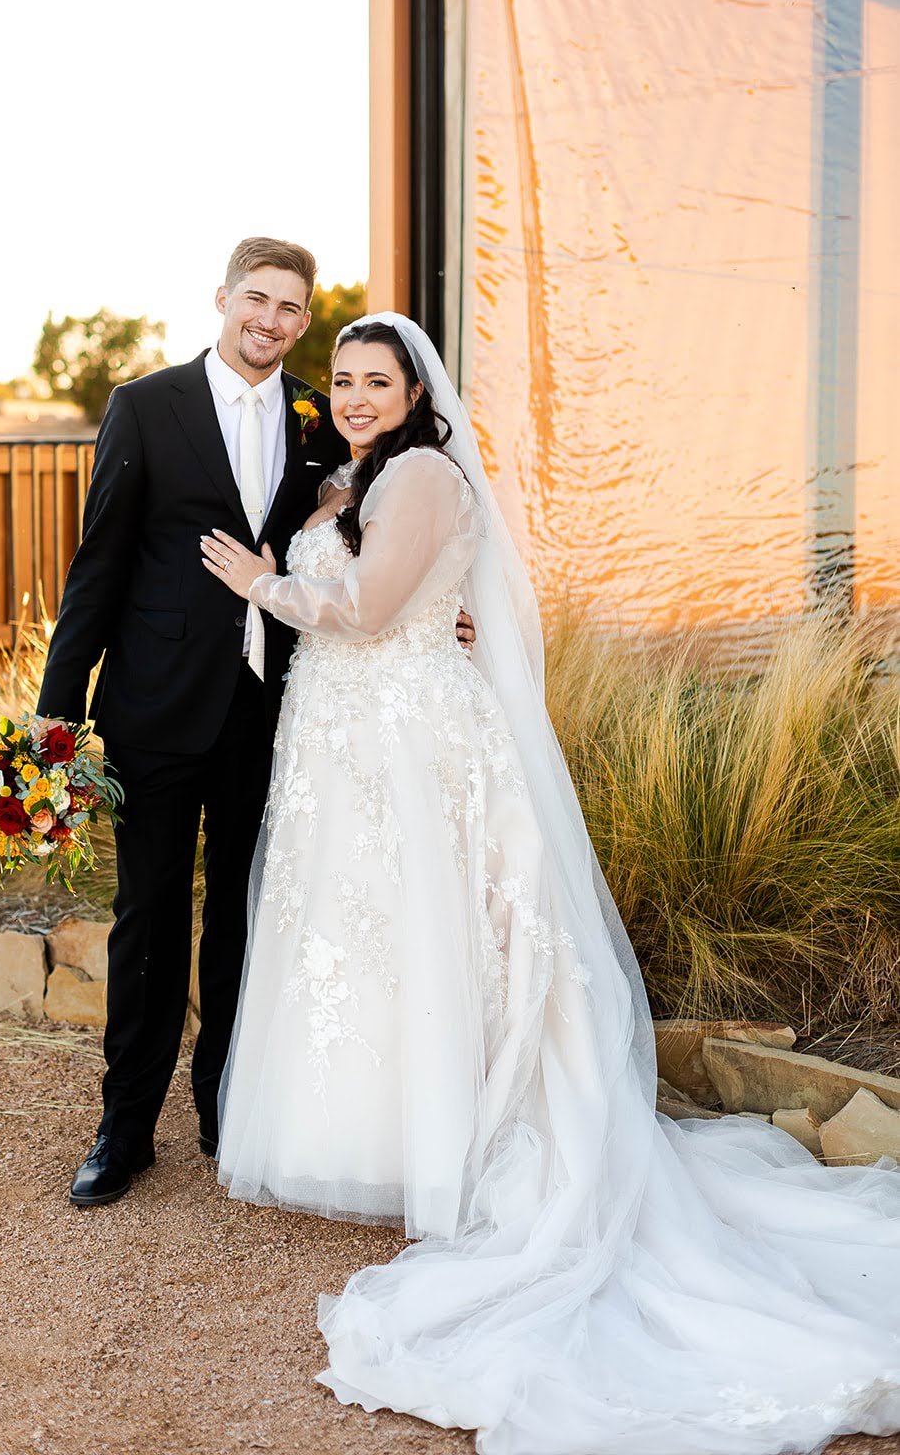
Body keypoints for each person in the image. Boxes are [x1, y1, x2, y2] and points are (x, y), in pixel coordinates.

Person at [201, 313, 900, 1455]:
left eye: (377, 379)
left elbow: (372, 614)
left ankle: (452, 1146)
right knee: (363, 943)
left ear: (417, 394)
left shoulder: (419, 471)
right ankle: (380, 1138)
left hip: (409, 745)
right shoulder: (348, 478)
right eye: (342, 378)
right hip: (348, 746)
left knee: (426, 935)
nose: (355, 394)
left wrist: (264, 582)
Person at [36, 236, 475, 1208]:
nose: (269, 321)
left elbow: (367, 536)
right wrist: (54, 721)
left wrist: (437, 607)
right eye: (257, 299)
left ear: (301, 321)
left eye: (289, 309)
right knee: (147, 920)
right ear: (224, 297)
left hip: (271, 716)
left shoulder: (321, 424)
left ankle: (227, 1110)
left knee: (244, 920)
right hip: (152, 710)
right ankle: (123, 1130)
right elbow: (96, 570)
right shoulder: (145, 408)